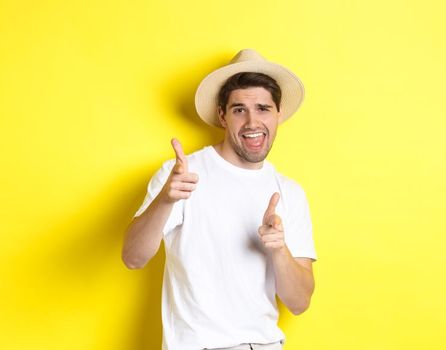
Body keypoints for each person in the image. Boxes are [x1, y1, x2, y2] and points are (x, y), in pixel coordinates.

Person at [122, 49, 317, 350]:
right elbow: (133, 258)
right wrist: (165, 201)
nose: (252, 122)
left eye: (263, 108)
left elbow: (300, 302)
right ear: (222, 116)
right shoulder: (182, 174)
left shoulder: (289, 192)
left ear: (278, 114)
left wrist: (279, 249)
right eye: (239, 109)